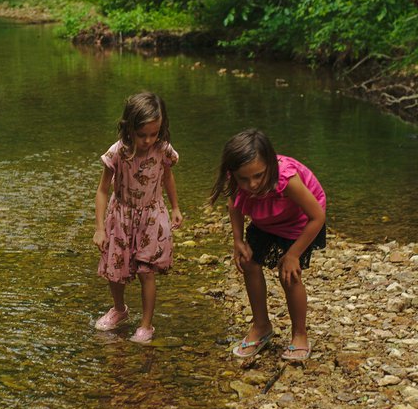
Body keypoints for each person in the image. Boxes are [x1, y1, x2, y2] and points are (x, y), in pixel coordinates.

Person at [209, 128, 326, 361]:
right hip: (266, 220)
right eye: (244, 178)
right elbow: (234, 204)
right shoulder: (238, 179)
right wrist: (238, 240)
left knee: (289, 274)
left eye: (258, 176)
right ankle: (261, 325)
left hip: (300, 223)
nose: (252, 184)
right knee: (249, 262)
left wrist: (293, 255)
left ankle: (299, 334)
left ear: (270, 166)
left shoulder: (287, 179)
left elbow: (317, 216)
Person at [93, 92, 183, 343]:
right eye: (142, 134)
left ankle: (146, 325)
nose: (148, 140)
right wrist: (99, 228)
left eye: (154, 134)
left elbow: (167, 177)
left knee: (146, 271)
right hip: (121, 217)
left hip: (152, 217)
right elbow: (102, 191)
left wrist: (175, 207)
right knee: (115, 269)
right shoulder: (118, 152)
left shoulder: (162, 149)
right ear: (129, 128)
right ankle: (119, 309)